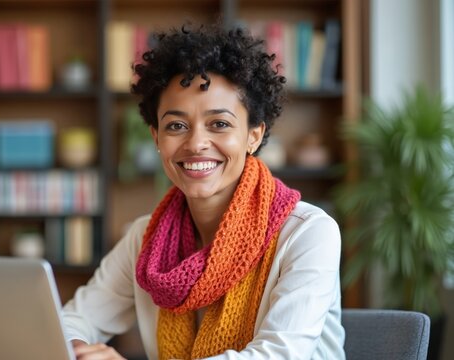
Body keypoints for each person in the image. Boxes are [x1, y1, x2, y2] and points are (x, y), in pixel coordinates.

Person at [62, 23, 345, 360]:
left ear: (254, 135)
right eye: (176, 126)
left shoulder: (308, 233)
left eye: (220, 124)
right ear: (156, 137)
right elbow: (70, 322)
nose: (196, 143)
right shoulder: (144, 239)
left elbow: (280, 355)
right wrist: (76, 351)